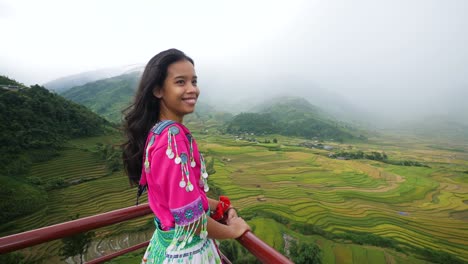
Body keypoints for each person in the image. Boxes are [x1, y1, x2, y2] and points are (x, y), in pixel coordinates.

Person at [122, 49, 250, 263]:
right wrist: (233, 231)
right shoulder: (172, 139)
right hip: (187, 254)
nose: (193, 90)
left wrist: (219, 206)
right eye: (181, 82)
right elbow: (189, 219)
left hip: (165, 245)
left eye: (194, 81)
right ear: (158, 90)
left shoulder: (157, 132)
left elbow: (185, 198)